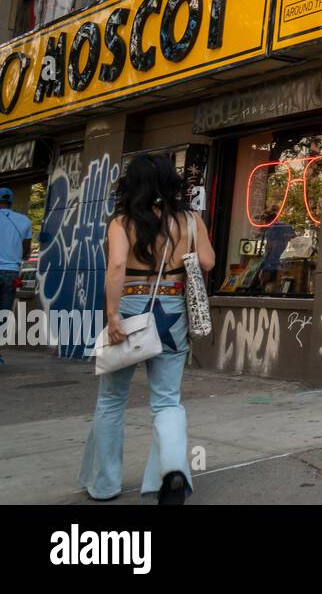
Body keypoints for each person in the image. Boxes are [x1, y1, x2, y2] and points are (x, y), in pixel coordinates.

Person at [80, 154, 215, 504]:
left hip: (129, 309)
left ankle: (104, 484)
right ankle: (170, 472)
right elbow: (208, 262)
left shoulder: (122, 223)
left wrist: (112, 318)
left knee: (111, 399)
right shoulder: (190, 220)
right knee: (167, 400)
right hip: (172, 310)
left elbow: (118, 267)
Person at [0, 186, 33, 367]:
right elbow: (26, 253)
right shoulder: (24, 221)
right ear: (11, 202)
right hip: (11, 273)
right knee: (3, 314)